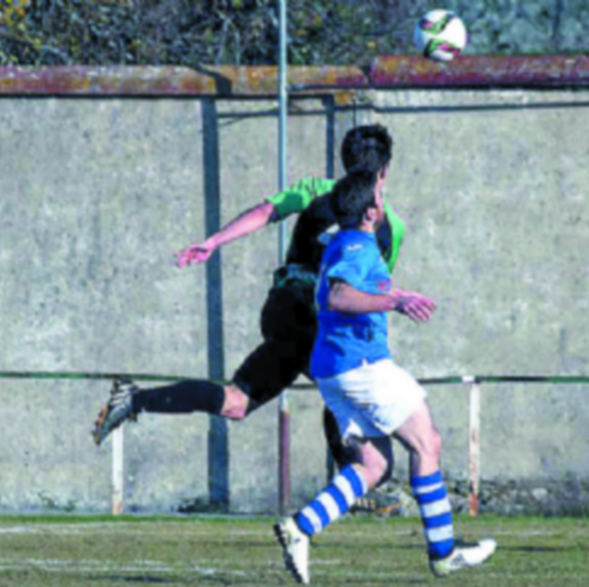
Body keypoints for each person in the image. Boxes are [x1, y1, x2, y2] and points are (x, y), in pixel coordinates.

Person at [91, 125, 403, 513]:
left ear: (342, 161)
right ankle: (357, 480)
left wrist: (215, 241)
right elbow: (363, 294)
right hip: (310, 315)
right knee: (344, 387)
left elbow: (265, 212)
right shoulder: (391, 226)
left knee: (236, 402)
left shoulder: (314, 190)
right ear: (385, 170)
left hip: (282, 310)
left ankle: (135, 399)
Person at [273, 169, 496, 584]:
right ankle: (444, 553)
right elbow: (338, 295)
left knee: (373, 464)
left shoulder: (345, 241)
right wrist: (395, 299)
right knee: (427, 441)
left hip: (338, 370)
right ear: (372, 211)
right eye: (380, 192)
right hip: (360, 366)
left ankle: (300, 528)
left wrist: (390, 297)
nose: (384, 195)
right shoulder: (357, 245)